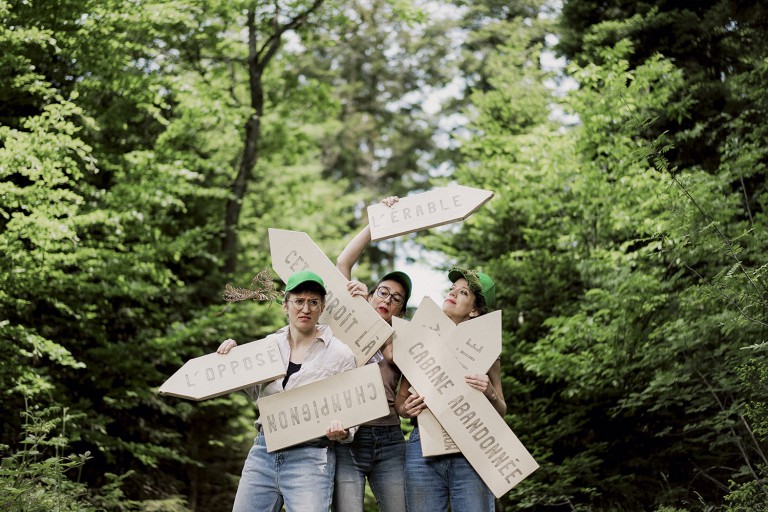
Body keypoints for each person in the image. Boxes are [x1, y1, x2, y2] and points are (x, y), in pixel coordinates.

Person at [217, 270, 356, 512]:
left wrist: (344, 431)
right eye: (299, 301)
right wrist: (232, 358)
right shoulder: (268, 346)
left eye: (313, 302)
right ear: (285, 305)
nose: (306, 308)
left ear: (322, 308)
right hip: (263, 451)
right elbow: (253, 391)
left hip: (310, 457)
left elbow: (352, 410)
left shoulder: (340, 354)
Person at [394, 267, 505, 512]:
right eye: (452, 289)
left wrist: (490, 392)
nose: (452, 293)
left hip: (471, 449)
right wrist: (405, 408)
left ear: (475, 310)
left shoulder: (486, 350)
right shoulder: (422, 340)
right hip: (423, 445)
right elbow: (401, 401)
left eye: (463, 292)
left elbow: (501, 410)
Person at [332, 195, 409, 512]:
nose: (388, 300)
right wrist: (375, 221)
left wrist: (373, 318)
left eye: (397, 299)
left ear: (400, 311)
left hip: (390, 439)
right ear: (372, 291)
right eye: (383, 292)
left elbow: (392, 356)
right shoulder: (346, 322)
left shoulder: (401, 338)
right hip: (349, 437)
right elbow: (342, 264)